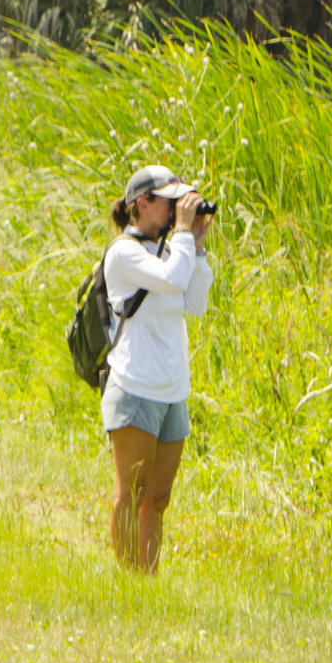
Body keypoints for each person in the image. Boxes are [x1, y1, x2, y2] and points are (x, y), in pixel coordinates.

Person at [100, 164, 215, 572]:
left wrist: (197, 246)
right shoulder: (123, 254)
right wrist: (185, 237)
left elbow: (194, 302)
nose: (174, 211)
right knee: (130, 492)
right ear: (141, 204)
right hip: (134, 388)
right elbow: (170, 279)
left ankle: (145, 582)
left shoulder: (173, 251)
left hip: (171, 392)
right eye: (168, 202)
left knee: (158, 498)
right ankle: (129, 582)